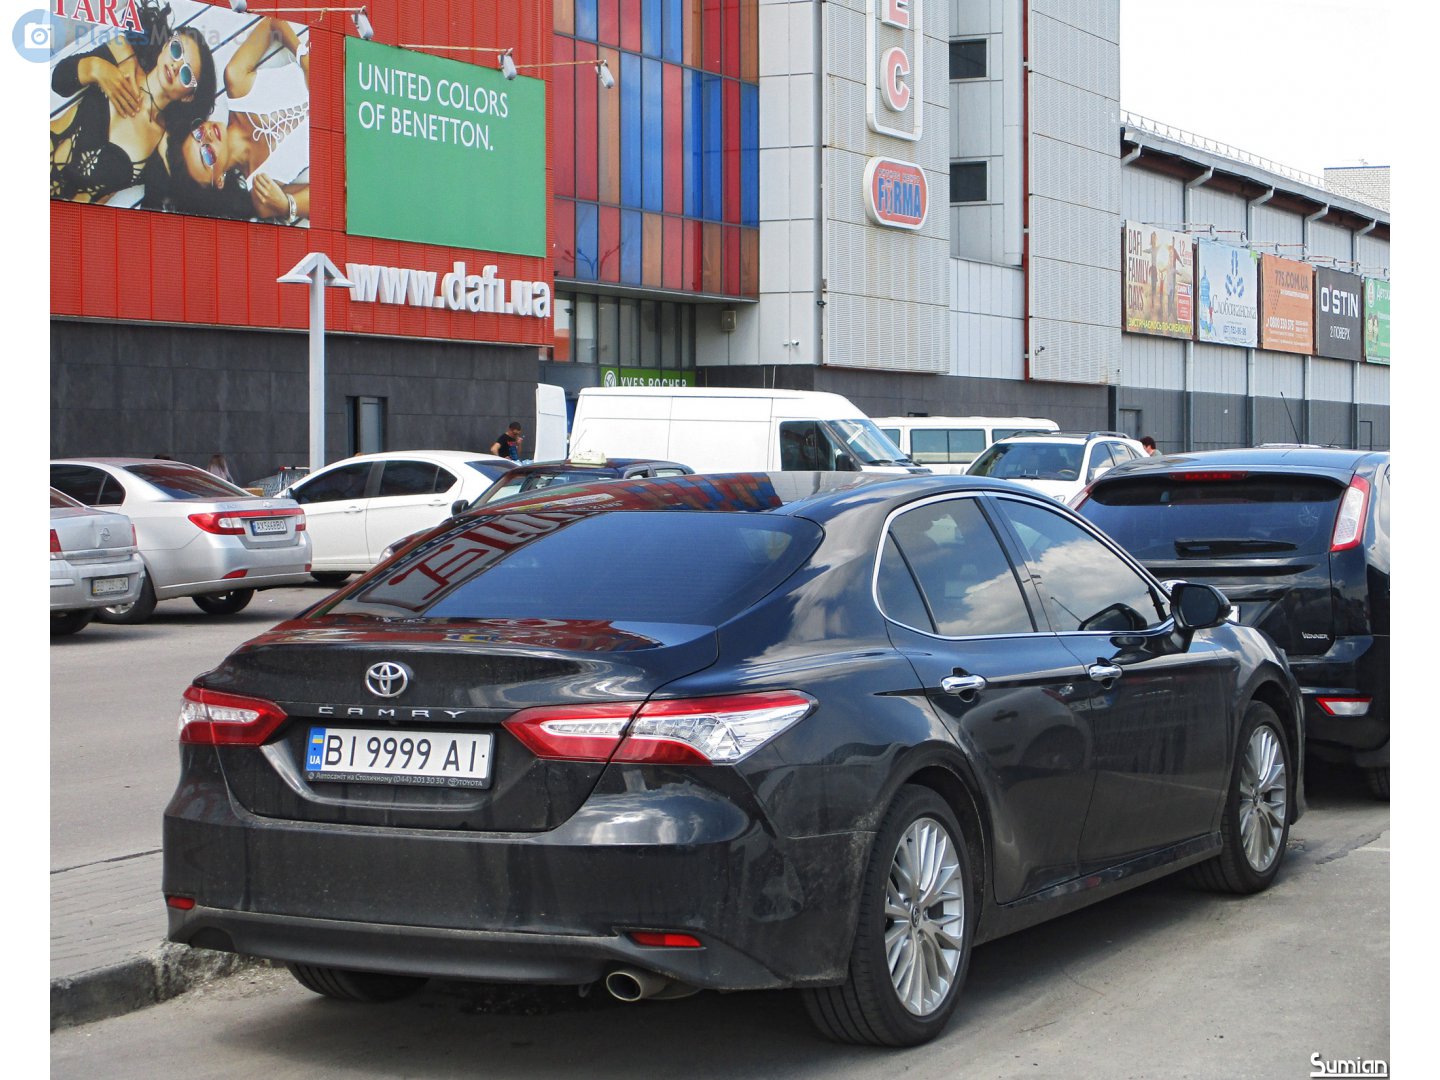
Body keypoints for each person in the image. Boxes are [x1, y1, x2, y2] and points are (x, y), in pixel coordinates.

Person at [145, 16, 310, 223]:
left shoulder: (236, 80)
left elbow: (272, 23)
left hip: (341, 63)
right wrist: (287, 205)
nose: (207, 136)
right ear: (219, 180)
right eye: (206, 153)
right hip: (357, 122)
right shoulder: (262, 192)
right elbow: (337, 199)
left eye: (197, 134)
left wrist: (303, 56)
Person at [50, 3, 217, 205]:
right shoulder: (121, 54)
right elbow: (58, 83)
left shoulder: (162, 144)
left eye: (186, 73)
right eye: (176, 50)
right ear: (165, 45)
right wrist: (95, 68)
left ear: (188, 96)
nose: (175, 65)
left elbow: (161, 202)